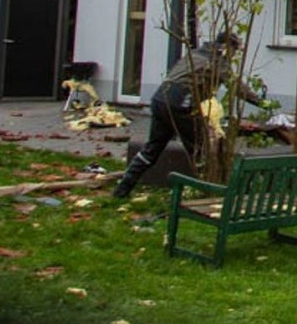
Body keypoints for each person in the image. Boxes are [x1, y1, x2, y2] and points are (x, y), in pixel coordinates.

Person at [112, 31, 265, 199]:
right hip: (180, 104)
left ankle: (122, 189)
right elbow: (236, 86)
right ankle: (210, 191)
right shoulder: (217, 61)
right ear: (227, 47)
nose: (235, 54)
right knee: (202, 149)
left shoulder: (196, 53)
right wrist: (261, 103)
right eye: (235, 50)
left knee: (153, 148)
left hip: (159, 99)